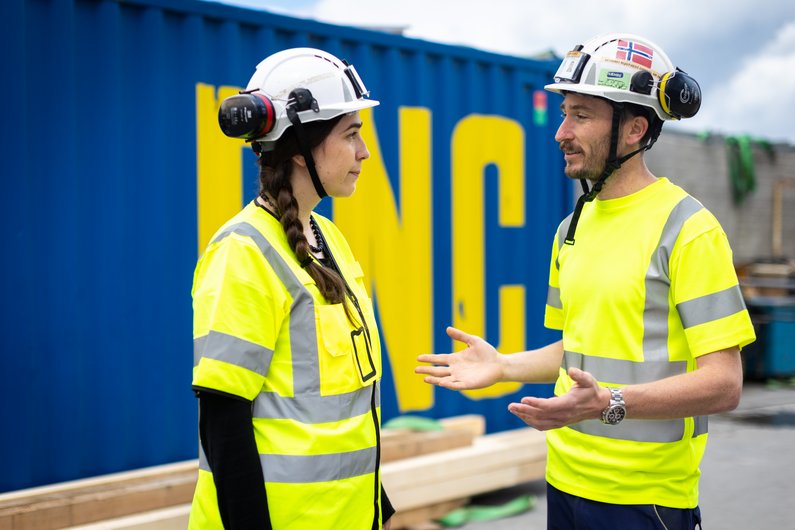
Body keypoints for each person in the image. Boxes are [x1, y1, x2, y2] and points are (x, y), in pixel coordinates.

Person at [416, 33, 755, 530]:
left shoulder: (688, 229)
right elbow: (576, 350)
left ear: (635, 128)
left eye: (581, 115)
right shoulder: (571, 227)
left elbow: (724, 384)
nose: (561, 132)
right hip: (565, 484)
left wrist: (612, 402)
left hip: (646, 500)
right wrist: (505, 365)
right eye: (564, 113)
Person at [189, 48, 393, 530]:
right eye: (351, 134)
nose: (364, 152)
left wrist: (375, 503)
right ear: (301, 147)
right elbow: (224, 420)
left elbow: (345, 399)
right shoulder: (243, 252)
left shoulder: (329, 238)